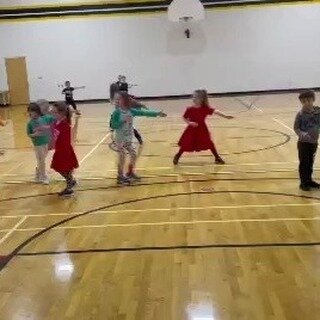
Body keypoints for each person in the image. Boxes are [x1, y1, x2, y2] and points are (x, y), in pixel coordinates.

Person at [110, 91, 166, 185]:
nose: (116, 101)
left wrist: (157, 113)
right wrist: (122, 121)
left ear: (125, 100)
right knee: (122, 156)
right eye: (116, 99)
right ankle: (120, 176)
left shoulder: (131, 111)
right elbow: (113, 125)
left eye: (118, 99)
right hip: (120, 139)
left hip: (128, 138)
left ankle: (130, 172)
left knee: (133, 154)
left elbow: (143, 112)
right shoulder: (116, 112)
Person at [173, 89, 234, 165]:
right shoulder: (189, 109)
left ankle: (217, 158)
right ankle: (177, 156)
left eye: (195, 97)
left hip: (202, 129)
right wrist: (190, 123)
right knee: (186, 143)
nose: (193, 98)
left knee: (209, 143)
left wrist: (225, 116)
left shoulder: (205, 108)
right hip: (191, 130)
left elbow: (215, 111)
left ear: (201, 99)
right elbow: (184, 117)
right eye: (193, 97)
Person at [51, 102, 79, 197]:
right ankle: (71, 181)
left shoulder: (65, 125)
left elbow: (65, 140)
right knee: (60, 168)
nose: (52, 113)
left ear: (62, 114)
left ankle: (69, 186)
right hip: (59, 150)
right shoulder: (56, 122)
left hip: (64, 151)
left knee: (62, 168)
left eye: (55, 112)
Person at [294, 90, 320, 191]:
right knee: (304, 162)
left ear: (313, 100)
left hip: (314, 143)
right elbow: (296, 128)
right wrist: (303, 135)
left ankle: (309, 180)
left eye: (309, 100)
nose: (307, 103)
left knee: (310, 162)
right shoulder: (300, 114)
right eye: (304, 101)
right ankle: (303, 183)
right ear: (301, 102)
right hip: (303, 143)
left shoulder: (318, 112)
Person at [26, 103, 51, 184]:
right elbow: (29, 134)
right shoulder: (30, 123)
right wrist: (34, 135)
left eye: (32, 111)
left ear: (37, 111)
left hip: (45, 142)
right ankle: (43, 177)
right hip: (37, 144)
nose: (31, 114)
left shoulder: (43, 119)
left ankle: (38, 172)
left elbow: (52, 120)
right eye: (29, 112)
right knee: (42, 160)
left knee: (42, 158)